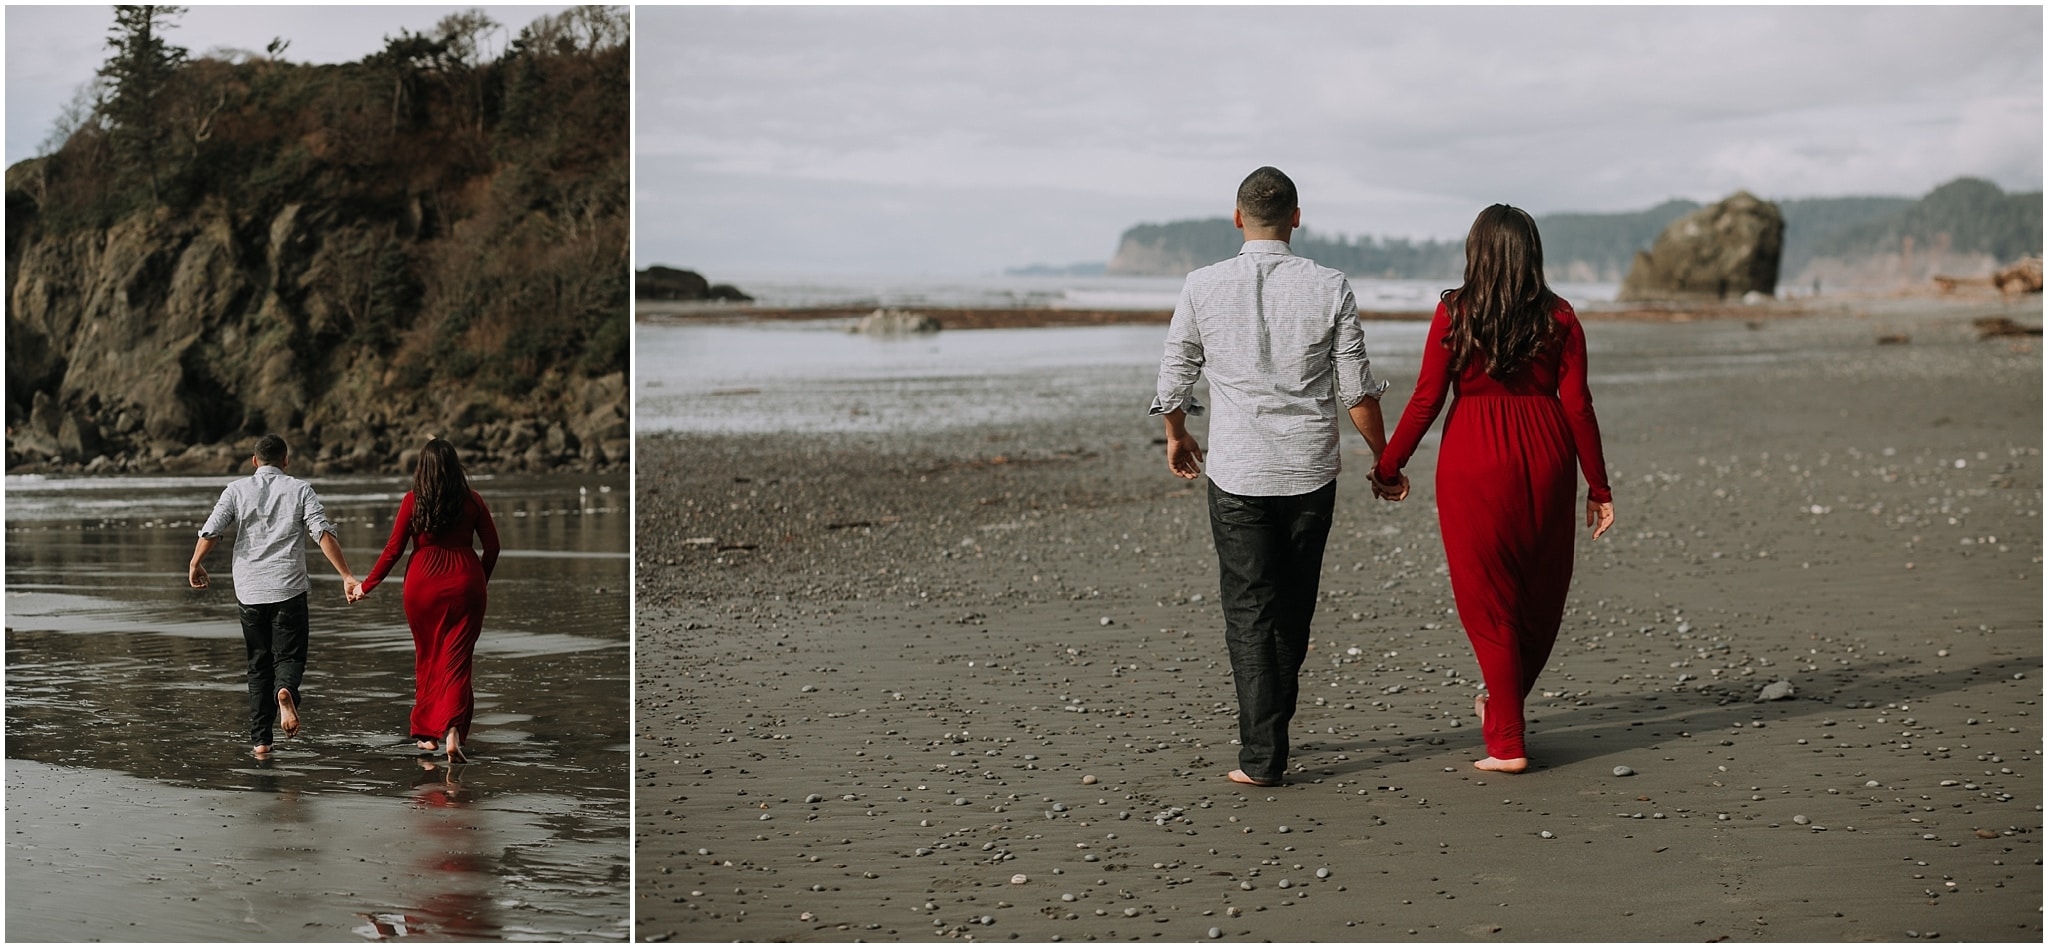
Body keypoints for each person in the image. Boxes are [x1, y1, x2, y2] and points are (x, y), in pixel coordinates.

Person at [1152, 166, 1402, 788]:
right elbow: (1356, 388)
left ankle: (1263, 754)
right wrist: (1384, 457)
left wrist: (1176, 433)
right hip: (1309, 467)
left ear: (1238, 217)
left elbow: (1175, 368)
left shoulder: (1202, 285)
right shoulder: (1330, 284)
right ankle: (1270, 739)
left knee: (1248, 608)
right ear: (1296, 217)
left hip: (1237, 470)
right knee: (1294, 606)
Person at [1370, 204, 1616, 774]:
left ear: (1474, 251)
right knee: (1541, 591)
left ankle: (1506, 740)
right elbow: (1578, 405)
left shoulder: (1454, 312)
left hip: (1472, 458)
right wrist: (1597, 486)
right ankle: (1502, 708)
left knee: (1489, 598)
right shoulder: (1560, 317)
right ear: (1533, 252)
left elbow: (1427, 397)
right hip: (1547, 454)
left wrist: (1388, 465)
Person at [189, 434, 360, 757]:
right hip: (288, 588)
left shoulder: (236, 490)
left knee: (257, 665)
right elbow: (321, 532)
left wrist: (196, 563)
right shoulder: (299, 489)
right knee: (290, 658)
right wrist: (347, 576)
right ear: (286, 461)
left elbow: (212, 529)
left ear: (254, 461)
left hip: (250, 590)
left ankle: (261, 741)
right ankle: (285, 691)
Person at [354, 438, 501, 763]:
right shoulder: (472, 501)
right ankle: (451, 731)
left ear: (422, 468)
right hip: (466, 582)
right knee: (458, 661)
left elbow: (394, 550)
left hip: (422, 585)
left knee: (429, 656)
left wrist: (366, 586)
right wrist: (479, 581)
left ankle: (426, 735)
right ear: (455, 467)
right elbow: (493, 547)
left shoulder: (412, 501)